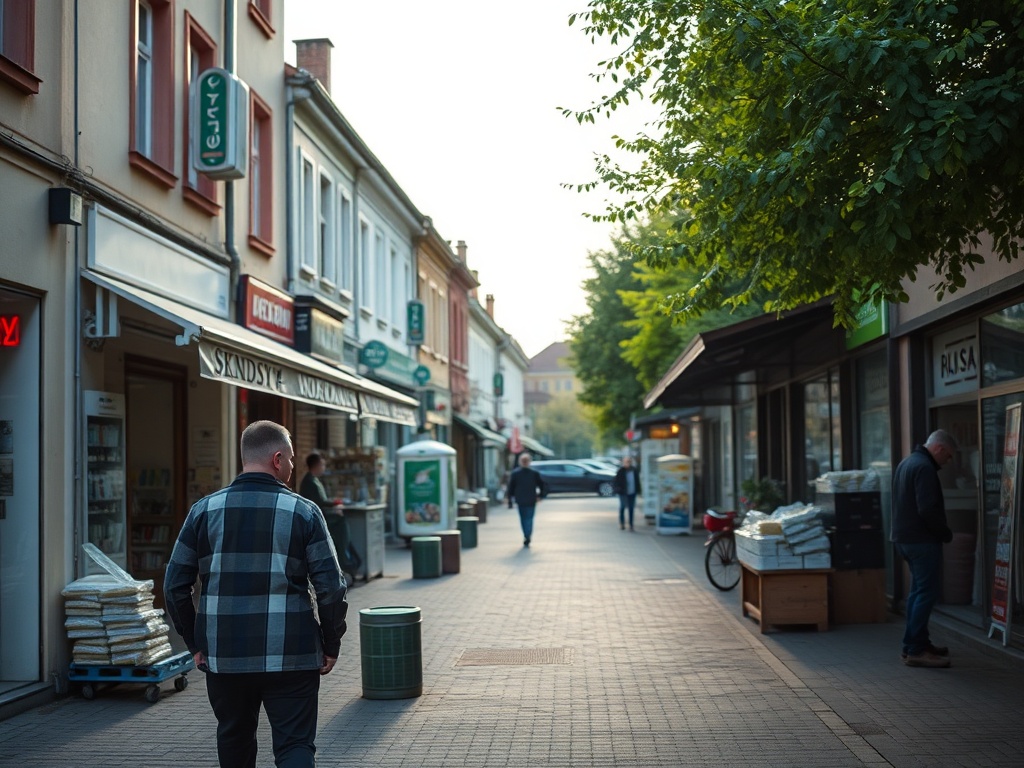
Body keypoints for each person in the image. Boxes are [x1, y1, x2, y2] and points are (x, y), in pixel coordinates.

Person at [164, 421, 348, 768]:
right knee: (295, 745)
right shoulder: (304, 511)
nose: (292, 466)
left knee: (234, 739)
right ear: (277, 459)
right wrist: (330, 642)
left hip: (225, 653)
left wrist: (195, 642)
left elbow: (174, 585)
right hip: (292, 652)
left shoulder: (203, 511)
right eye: (290, 459)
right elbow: (331, 587)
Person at [891, 429, 956, 669]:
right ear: (939, 448)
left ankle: (915, 644)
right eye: (948, 455)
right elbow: (927, 509)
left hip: (905, 539)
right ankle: (916, 649)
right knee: (926, 593)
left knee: (917, 593)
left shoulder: (907, 463)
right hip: (921, 541)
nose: (948, 461)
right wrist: (944, 533)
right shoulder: (924, 468)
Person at [299, 451, 361, 581]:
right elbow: (319, 502)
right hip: (318, 519)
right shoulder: (310, 482)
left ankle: (349, 562)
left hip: (321, 515)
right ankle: (346, 562)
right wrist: (335, 503)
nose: (324, 467)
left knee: (342, 531)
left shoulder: (314, 480)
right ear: (316, 465)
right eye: (322, 465)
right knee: (341, 527)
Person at [506, 453, 547, 547]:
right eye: (523, 461)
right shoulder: (517, 474)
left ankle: (527, 535)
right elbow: (511, 488)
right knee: (526, 519)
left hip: (529, 500)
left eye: (526, 461)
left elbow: (542, 485)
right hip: (523, 500)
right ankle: (527, 535)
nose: (525, 462)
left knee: (527, 519)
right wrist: (509, 500)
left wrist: (541, 496)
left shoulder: (533, 473)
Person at [613, 456, 642, 531]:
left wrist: (639, 491)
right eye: (626, 462)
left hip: (632, 492)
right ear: (623, 463)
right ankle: (622, 523)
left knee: (631, 508)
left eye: (629, 462)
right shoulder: (621, 471)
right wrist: (619, 489)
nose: (628, 463)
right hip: (623, 493)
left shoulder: (634, 470)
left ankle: (631, 524)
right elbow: (616, 482)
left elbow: (637, 481)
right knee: (622, 507)